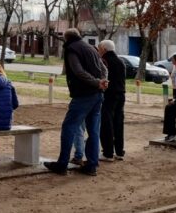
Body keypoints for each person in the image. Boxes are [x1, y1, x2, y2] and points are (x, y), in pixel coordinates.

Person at [43, 28, 108, 177]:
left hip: (84, 94)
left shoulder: (72, 49)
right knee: (93, 131)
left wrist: (96, 82)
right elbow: (104, 68)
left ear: (67, 39)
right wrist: (103, 81)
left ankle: (62, 164)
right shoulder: (90, 48)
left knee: (69, 127)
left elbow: (78, 71)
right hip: (98, 95)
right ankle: (92, 165)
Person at [97, 40, 126, 162]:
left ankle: (108, 153)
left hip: (109, 95)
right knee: (118, 123)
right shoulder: (121, 61)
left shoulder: (104, 61)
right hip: (121, 94)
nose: (98, 51)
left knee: (107, 123)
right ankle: (119, 151)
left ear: (104, 49)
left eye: (99, 48)